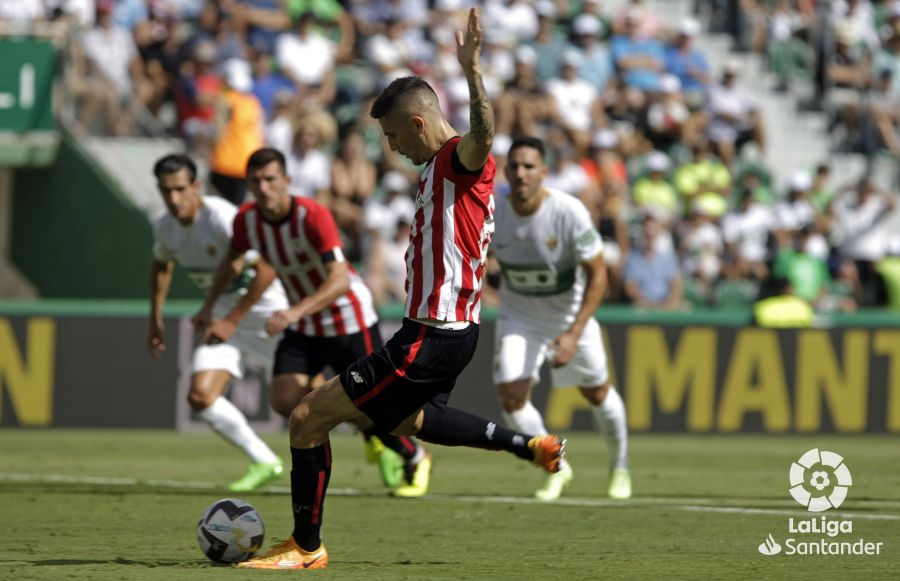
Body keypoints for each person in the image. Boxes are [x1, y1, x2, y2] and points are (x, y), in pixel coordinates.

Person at [237, 8, 564, 569]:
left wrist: (473, 72)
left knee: (307, 418)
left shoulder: (458, 160)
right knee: (410, 420)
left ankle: (306, 548)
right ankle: (528, 445)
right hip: (445, 331)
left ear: (416, 124)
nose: (390, 147)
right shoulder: (435, 172)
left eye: (391, 134)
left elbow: (485, 135)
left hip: (432, 335)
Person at [197, 147, 430, 495]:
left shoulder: (311, 215)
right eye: (256, 181)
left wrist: (294, 311)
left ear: (286, 181)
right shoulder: (247, 220)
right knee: (284, 400)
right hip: (306, 326)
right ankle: (366, 427)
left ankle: (414, 456)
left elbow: (339, 280)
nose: (263, 188)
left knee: (375, 402)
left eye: (270, 179)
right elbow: (231, 261)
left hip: (348, 319)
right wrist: (209, 307)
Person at [492, 137, 631, 501]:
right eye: (515, 166)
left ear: (544, 172)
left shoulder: (569, 212)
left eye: (529, 166)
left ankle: (620, 466)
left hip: (570, 318)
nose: (521, 173)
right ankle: (556, 466)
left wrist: (573, 333)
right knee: (511, 397)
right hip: (519, 317)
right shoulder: (494, 212)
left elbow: (599, 274)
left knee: (596, 392)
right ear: (506, 172)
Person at [148, 154, 287, 492]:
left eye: (181, 189)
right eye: (166, 191)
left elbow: (267, 267)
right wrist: (155, 318)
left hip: (266, 310)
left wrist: (228, 311)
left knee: (316, 395)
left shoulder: (223, 217)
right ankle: (264, 460)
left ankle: (401, 451)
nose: (174, 198)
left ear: (196, 187)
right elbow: (161, 265)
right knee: (200, 396)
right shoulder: (163, 225)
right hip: (224, 315)